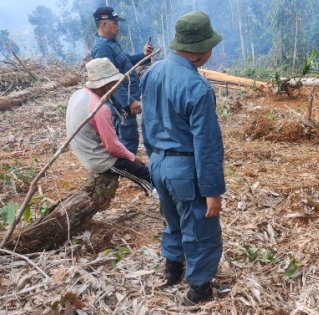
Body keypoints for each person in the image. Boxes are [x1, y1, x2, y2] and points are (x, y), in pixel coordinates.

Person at [140, 11, 225, 305]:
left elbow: (147, 124)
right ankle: (199, 290)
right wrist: (212, 191)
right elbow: (207, 146)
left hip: (159, 164)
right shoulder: (198, 88)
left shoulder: (151, 73)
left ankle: (172, 269)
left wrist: (153, 160)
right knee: (200, 230)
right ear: (204, 51)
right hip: (185, 169)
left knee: (172, 220)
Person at [66, 58, 152, 193]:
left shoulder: (78, 94)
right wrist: (133, 158)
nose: (116, 87)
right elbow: (112, 146)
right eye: (114, 83)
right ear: (107, 85)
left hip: (85, 152)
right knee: (146, 174)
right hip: (99, 159)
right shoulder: (99, 108)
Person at [91, 6, 153, 155]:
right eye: (115, 23)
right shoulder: (102, 47)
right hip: (120, 106)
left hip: (124, 102)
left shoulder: (111, 43)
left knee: (129, 140)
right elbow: (109, 82)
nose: (118, 27)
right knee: (127, 142)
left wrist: (144, 55)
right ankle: (123, 173)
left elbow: (127, 62)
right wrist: (129, 101)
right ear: (104, 24)